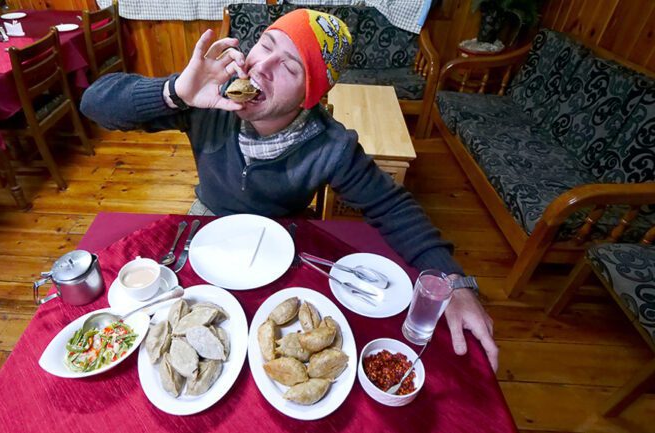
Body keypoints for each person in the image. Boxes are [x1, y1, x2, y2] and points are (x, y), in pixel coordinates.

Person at [80, 9, 498, 371]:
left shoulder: (330, 146)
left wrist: (453, 282)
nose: (261, 66)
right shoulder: (207, 103)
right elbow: (94, 103)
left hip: (284, 244)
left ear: (308, 98)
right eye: (266, 43)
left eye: (291, 67)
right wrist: (175, 93)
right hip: (204, 230)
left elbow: (392, 206)